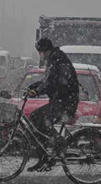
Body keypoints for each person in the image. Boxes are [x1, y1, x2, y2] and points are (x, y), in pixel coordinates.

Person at [26, 37, 79, 172]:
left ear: (44, 50)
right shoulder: (55, 58)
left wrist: (37, 91)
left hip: (65, 101)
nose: (40, 55)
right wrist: (35, 86)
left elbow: (51, 82)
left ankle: (59, 144)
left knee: (40, 118)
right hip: (61, 100)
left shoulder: (56, 59)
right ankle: (44, 158)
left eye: (40, 52)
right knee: (37, 119)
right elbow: (49, 80)